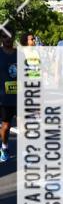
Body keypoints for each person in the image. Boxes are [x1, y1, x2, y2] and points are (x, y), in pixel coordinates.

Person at [0, 29, 17, 163]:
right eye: (5, 37)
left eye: (10, 37)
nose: (8, 39)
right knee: (6, 126)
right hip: (4, 96)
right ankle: (4, 148)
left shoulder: (19, 54)